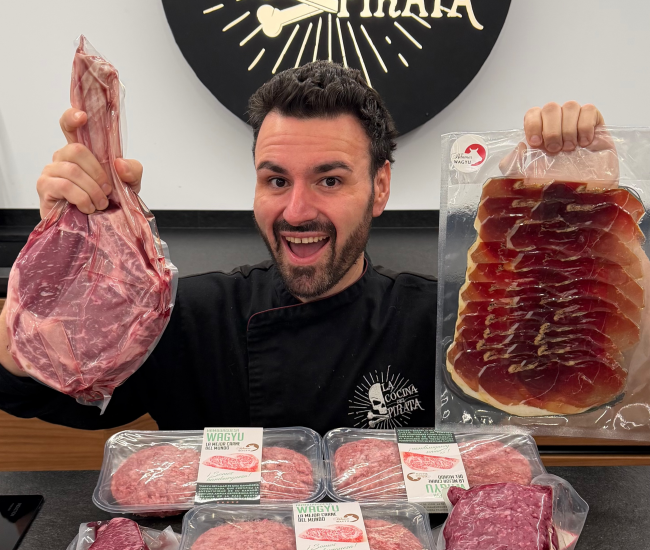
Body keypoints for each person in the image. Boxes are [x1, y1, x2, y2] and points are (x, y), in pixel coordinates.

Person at [0, 62, 604, 435]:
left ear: (380, 188)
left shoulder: (439, 324)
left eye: (330, 180)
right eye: (276, 180)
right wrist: (68, 256)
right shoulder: (186, 317)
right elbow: (43, 391)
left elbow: (588, 397)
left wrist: (584, 216)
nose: (296, 211)